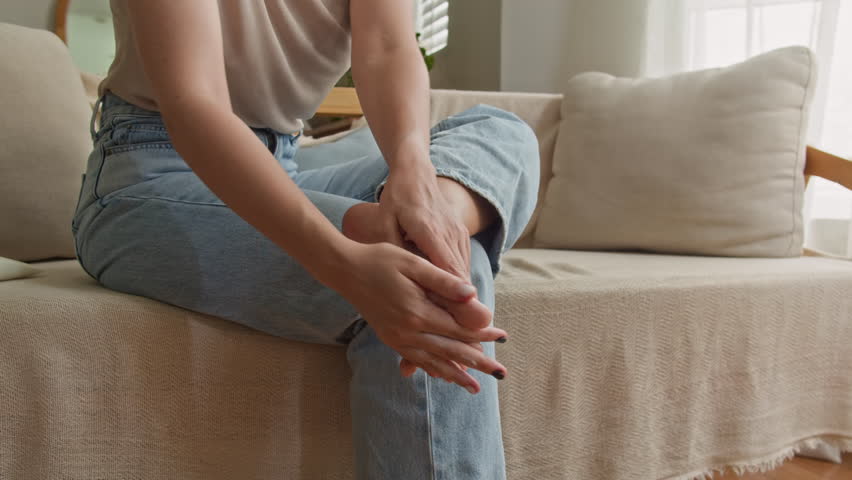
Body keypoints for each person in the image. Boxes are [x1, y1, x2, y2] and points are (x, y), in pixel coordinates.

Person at [71, 1, 539, 478]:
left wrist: (414, 174)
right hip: (149, 178)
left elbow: (387, 46)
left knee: (499, 133)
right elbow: (195, 101)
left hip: (288, 164)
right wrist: (343, 263)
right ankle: (404, 235)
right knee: (425, 281)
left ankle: (417, 225)